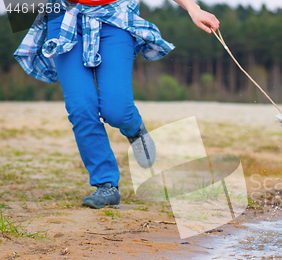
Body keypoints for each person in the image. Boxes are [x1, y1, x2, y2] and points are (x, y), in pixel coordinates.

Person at [14, 0, 219, 208]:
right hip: (63, 15)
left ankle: (135, 130)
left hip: (115, 16)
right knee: (81, 107)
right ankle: (106, 185)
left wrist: (194, 9)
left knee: (117, 110)